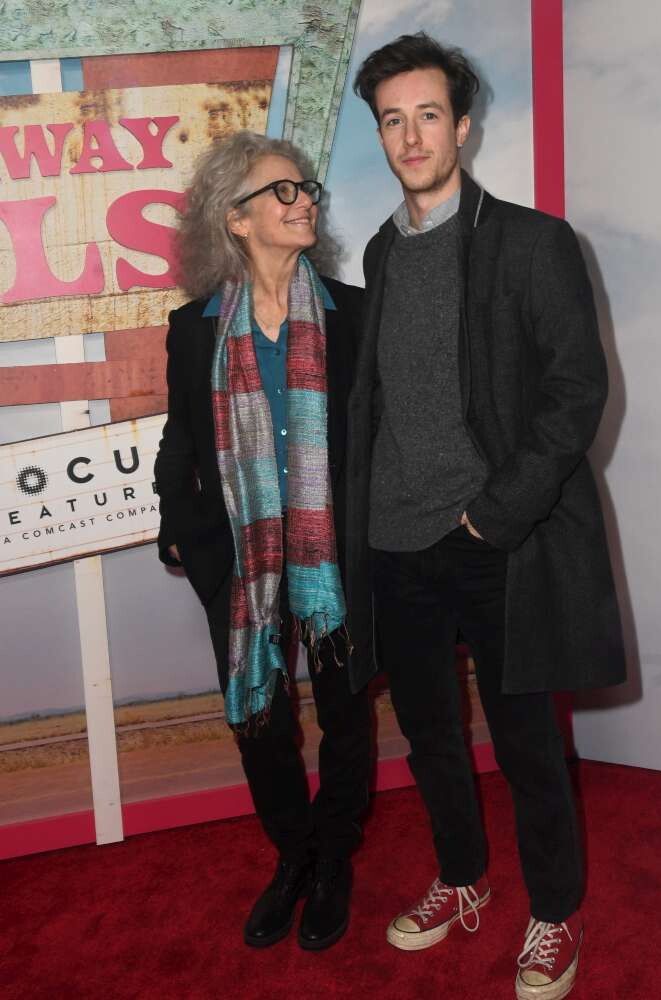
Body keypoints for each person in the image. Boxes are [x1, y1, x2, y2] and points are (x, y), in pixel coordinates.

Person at [350, 33, 625, 999]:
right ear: (380, 135)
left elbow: (575, 391)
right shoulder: (380, 252)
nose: (411, 136)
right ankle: (462, 876)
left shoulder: (533, 242)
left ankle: (554, 911)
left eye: (429, 115)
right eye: (393, 120)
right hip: (397, 540)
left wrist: (494, 516)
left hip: (493, 540)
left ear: (462, 126)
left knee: (526, 744)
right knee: (430, 737)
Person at [154, 131, 374, 952]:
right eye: (282, 191)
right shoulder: (194, 329)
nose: (303, 200)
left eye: (306, 187)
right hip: (241, 562)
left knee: (346, 713)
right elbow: (181, 440)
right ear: (235, 219)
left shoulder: (354, 314)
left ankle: (335, 856)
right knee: (261, 721)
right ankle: (295, 856)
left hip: (336, 558)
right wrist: (179, 528)